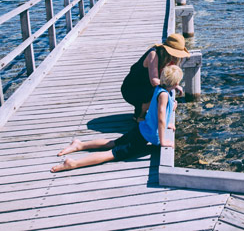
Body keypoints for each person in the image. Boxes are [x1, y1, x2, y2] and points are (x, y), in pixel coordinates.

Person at [51, 65, 183, 172]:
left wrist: (167, 124)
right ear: (176, 82)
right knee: (112, 153)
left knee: (113, 143)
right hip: (143, 137)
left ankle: (80, 145)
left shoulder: (159, 88)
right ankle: (73, 163)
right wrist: (163, 140)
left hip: (141, 128)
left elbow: (160, 112)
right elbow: (160, 118)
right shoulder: (165, 96)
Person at [121, 33, 190, 121]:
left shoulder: (169, 57)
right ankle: (140, 115)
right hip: (131, 89)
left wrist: (174, 86)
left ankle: (145, 110)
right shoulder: (153, 54)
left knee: (167, 94)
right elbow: (154, 81)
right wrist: (172, 87)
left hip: (145, 86)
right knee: (162, 95)